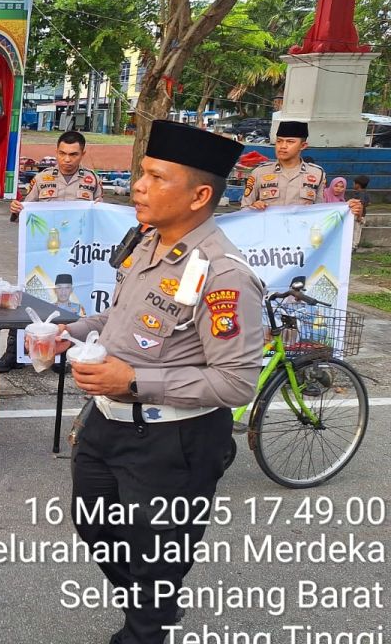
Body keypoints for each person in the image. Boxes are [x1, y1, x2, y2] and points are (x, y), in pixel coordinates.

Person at [59, 120, 262, 644]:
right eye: (141, 174)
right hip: (107, 425)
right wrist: (73, 330)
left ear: (199, 195)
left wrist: (135, 381)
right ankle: (156, 607)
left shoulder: (223, 274)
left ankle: (147, 625)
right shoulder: (145, 242)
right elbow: (124, 320)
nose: (139, 186)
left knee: (156, 560)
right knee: (95, 527)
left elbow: (237, 382)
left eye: (155, 176)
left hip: (176, 441)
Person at [2, 130, 101, 370]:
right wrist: (17, 208)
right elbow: (25, 211)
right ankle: (15, 353)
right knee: (30, 296)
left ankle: (63, 353)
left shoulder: (92, 180)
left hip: (76, 255)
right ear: (56, 152)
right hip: (43, 251)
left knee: (71, 299)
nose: (67, 159)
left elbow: (100, 218)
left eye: (73, 154)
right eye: (63, 153)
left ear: (83, 154)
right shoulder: (43, 178)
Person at [351, 174, 371, 248]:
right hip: (362, 215)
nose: (353, 184)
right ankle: (355, 245)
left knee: (355, 231)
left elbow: (361, 205)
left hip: (358, 215)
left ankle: (353, 246)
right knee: (358, 230)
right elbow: (369, 203)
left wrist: (359, 216)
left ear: (358, 185)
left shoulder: (359, 193)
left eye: (354, 183)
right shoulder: (365, 192)